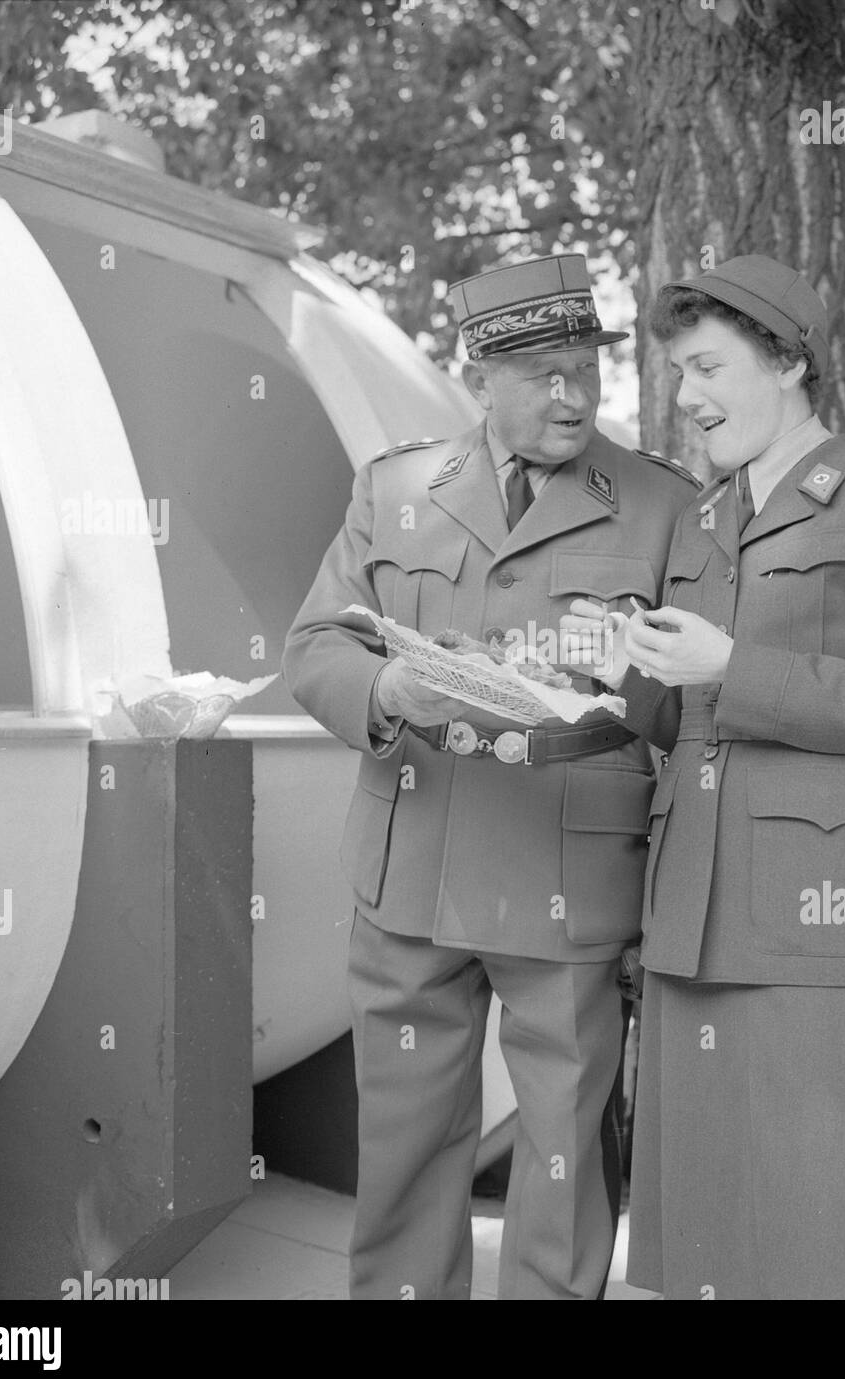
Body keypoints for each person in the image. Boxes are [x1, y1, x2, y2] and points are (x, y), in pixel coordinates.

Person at [283, 253, 701, 1300]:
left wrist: (627, 685)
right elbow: (314, 650)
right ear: (479, 375)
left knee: (562, 1167)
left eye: (584, 371)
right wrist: (389, 694)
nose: (572, 396)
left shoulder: (662, 504)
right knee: (405, 1154)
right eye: (543, 374)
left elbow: (695, 706)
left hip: (569, 875)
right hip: (412, 870)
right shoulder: (392, 488)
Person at [562, 254, 845, 1299]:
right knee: (700, 1228)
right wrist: (626, 674)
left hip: (811, 920)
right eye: (678, 377)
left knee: (823, 1229)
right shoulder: (698, 520)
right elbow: (674, 718)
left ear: (786, 361)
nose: (685, 400)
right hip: (690, 913)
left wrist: (732, 665)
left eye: (706, 369)